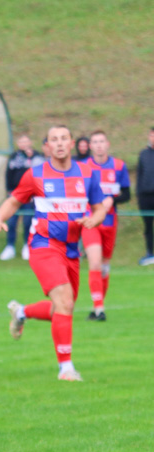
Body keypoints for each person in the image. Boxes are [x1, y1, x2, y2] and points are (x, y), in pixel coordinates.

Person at [0, 125, 107, 382]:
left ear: (73, 142)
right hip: (44, 246)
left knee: (63, 307)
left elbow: (99, 208)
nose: (60, 143)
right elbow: (14, 200)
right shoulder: (35, 175)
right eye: (54, 139)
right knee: (65, 301)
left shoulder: (87, 174)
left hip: (71, 251)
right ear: (48, 146)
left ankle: (21, 312)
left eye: (65, 138)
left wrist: (94, 220)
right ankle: (66, 369)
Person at [80, 131, 130, 321]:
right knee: (94, 262)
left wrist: (112, 199)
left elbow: (126, 194)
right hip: (90, 221)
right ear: (90, 146)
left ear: (107, 144)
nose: (99, 145)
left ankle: (96, 307)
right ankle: (100, 309)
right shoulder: (83, 167)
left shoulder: (118, 166)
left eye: (102, 141)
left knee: (104, 266)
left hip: (110, 222)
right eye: (95, 142)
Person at [0, 135, 44, 261]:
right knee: (12, 222)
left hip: (30, 197)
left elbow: (38, 176)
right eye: (21, 141)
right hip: (15, 195)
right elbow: (8, 174)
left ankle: (27, 245)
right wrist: (9, 191)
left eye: (26, 141)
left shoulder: (37, 157)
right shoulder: (14, 157)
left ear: (30, 142)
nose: (23, 144)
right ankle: (10, 247)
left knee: (27, 222)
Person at [137, 127, 154, 266]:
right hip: (145, 197)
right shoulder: (143, 154)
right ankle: (150, 253)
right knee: (148, 227)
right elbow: (139, 176)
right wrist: (139, 195)